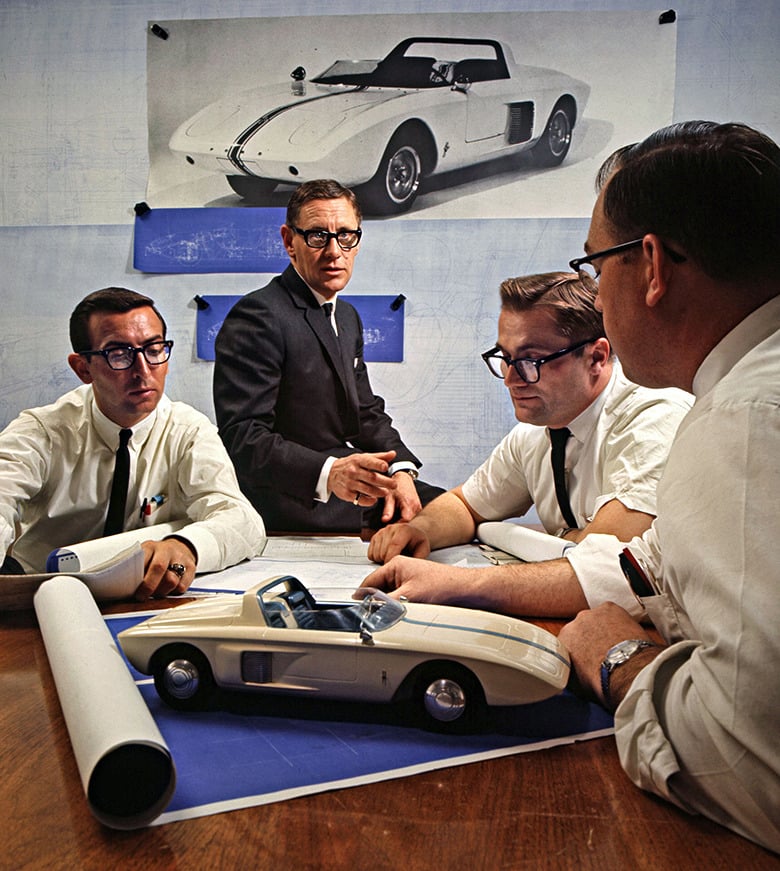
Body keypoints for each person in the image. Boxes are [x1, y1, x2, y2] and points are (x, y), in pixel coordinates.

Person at [369, 121, 779, 850]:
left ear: (651, 265)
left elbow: (746, 762)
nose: (514, 378)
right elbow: (643, 563)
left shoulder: (739, 417)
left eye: (597, 262)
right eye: (506, 359)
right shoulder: (736, 396)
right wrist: (427, 538)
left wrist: (618, 658)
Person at [368, 272, 691, 568]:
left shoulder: (655, 415)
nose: (511, 380)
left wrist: (448, 583)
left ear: (596, 357)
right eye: (506, 358)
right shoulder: (535, 432)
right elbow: (465, 506)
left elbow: (605, 562)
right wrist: (420, 530)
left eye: (532, 360)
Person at [0, 287, 266, 600]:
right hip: (42, 598)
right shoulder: (41, 432)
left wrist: (186, 546)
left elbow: (242, 521)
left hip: (147, 599)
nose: (143, 370)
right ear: (83, 368)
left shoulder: (188, 430)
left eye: (153, 349)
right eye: (119, 354)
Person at [213, 179, 442, 533]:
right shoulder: (257, 316)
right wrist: (330, 472)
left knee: (456, 512)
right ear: (289, 241)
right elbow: (243, 438)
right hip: (293, 500)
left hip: (348, 484)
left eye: (346, 236)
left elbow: (365, 411)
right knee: (434, 525)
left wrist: (400, 469)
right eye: (318, 236)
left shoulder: (347, 316)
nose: (335, 252)